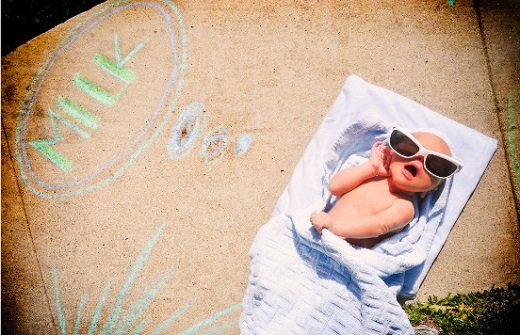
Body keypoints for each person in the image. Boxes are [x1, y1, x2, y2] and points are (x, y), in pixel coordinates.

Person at [310, 125, 463, 248]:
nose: (418, 160)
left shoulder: (405, 207)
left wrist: (335, 226)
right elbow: (335, 187)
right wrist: (370, 168)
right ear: (392, 153)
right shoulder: (371, 175)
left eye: (432, 165)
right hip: (317, 231)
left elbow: (378, 227)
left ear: (430, 190)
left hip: (343, 247)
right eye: (409, 150)